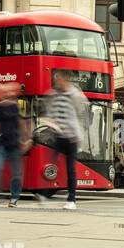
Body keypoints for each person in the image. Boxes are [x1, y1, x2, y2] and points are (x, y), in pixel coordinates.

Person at [45, 71, 88, 210]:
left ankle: (72, 199)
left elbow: (83, 109)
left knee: (70, 168)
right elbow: (50, 112)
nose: (56, 81)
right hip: (58, 136)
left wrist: (80, 130)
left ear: (65, 79)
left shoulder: (74, 94)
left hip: (71, 137)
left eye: (58, 79)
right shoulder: (54, 94)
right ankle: (44, 191)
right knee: (50, 162)